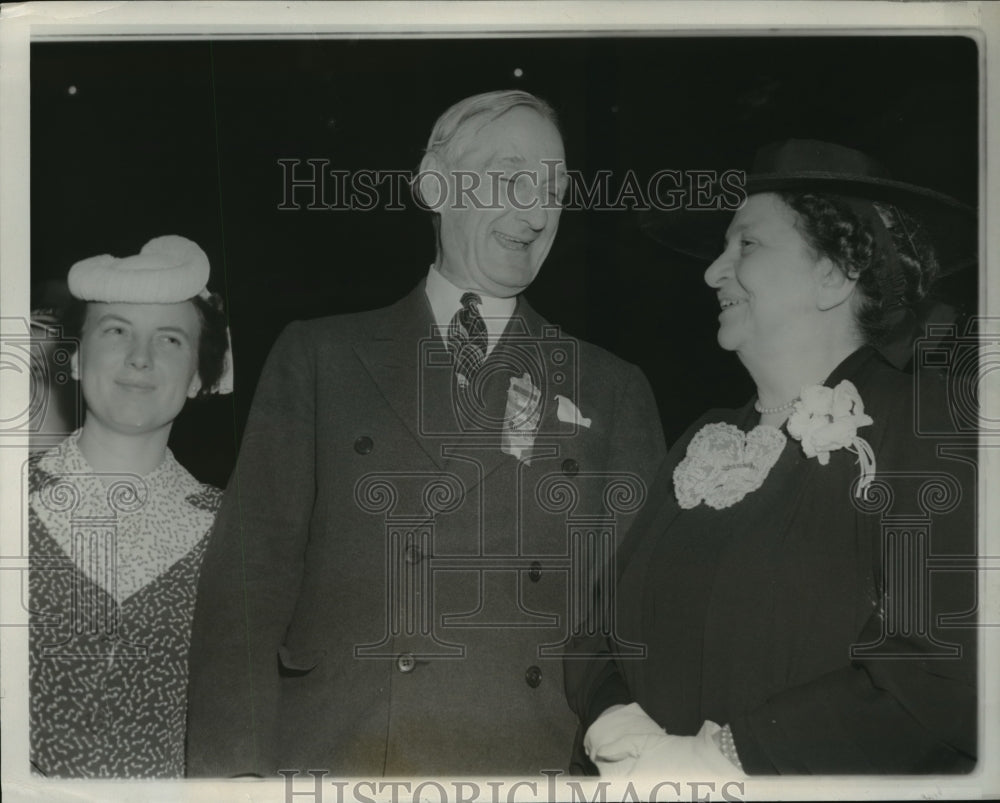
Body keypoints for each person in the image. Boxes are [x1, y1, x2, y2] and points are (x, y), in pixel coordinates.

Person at [185, 89, 667, 777]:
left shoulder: (613, 389)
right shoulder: (320, 357)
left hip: (528, 766)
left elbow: (638, 624)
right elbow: (246, 592)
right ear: (435, 185)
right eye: (510, 179)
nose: (535, 213)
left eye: (554, 189)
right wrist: (233, 784)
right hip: (339, 763)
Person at [564, 139, 978, 775]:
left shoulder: (928, 430)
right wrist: (620, 725)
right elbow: (601, 630)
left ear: (835, 274)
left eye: (746, 245)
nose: (712, 271)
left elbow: (944, 675)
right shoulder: (704, 440)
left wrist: (727, 758)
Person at [28, 235, 233, 778]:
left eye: (169, 340)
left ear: (197, 377)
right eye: (116, 330)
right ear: (72, 358)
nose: (140, 358)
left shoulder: (232, 528)